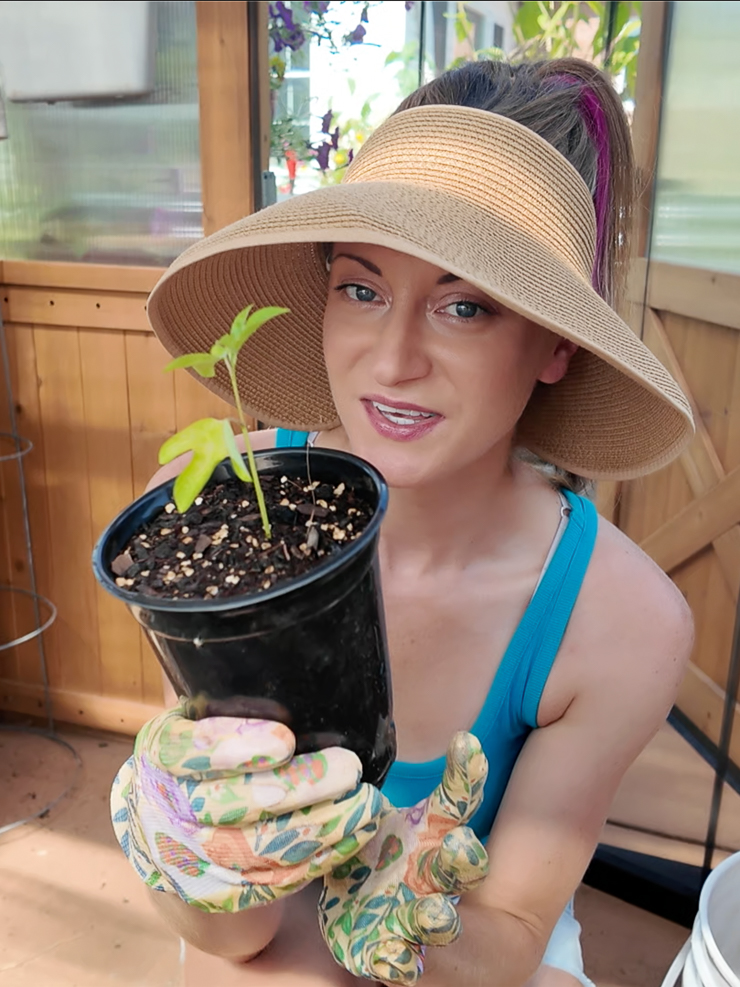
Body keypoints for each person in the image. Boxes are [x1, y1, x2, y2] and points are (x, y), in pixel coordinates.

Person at [111, 58, 695, 987]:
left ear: (555, 345)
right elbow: (234, 938)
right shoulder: (237, 507)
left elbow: (507, 930)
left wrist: (412, 924)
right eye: (362, 288)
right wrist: (190, 843)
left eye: (464, 306)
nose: (392, 360)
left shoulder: (617, 622)